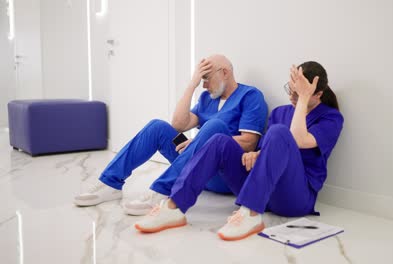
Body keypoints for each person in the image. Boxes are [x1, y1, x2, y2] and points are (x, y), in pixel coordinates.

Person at [133, 61, 344, 241]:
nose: (292, 97)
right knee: (219, 141)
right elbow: (270, 152)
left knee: (280, 132)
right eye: (290, 90)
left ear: (318, 93)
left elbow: (297, 139)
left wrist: (304, 99)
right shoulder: (280, 112)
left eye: (299, 93)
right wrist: (256, 154)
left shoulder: (331, 118)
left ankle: (250, 213)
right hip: (263, 188)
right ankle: (174, 207)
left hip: (294, 198)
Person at [74, 54, 268, 216]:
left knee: (214, 126)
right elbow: (179, 124)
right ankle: (110, 183)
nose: (204, 85)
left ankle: (162, 191)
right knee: (157, 127)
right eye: (201, 80)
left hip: (224, 174)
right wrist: (191, 85)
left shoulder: (250, 96)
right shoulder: (206, 98)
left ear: (224, 73)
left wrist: (201, 142)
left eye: (206, 78)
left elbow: (249, 142)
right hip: (196, 165)